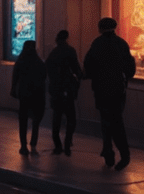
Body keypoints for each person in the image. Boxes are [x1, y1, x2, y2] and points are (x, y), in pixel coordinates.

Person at [84, 16, 135, 170]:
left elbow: (88, 65)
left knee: (106, 121)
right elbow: (130, 67)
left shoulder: (97, 44)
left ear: (100, 28)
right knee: (117, 120)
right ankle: (121, 153)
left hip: (101, 89)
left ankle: (110, 152)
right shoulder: (121, 44)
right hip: (118, 89)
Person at [45, 29, 82, 155]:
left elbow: (48, 69)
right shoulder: (70, 50)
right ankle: (68, 141)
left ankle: (58, 145)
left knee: (57, 117)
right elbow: (76, 68)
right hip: (68, 88)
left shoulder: (53, 53)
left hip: (56, 89)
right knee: (71, 117)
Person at [11, 37, 48, 155]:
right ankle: (33, 142)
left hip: (24, 94)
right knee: (36, 120)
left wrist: (13, 89)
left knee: (23, 120)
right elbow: (44, 77)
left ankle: (23, 146)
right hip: (37, 94)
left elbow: (15, 77)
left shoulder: (21, 61)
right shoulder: (39, 62)